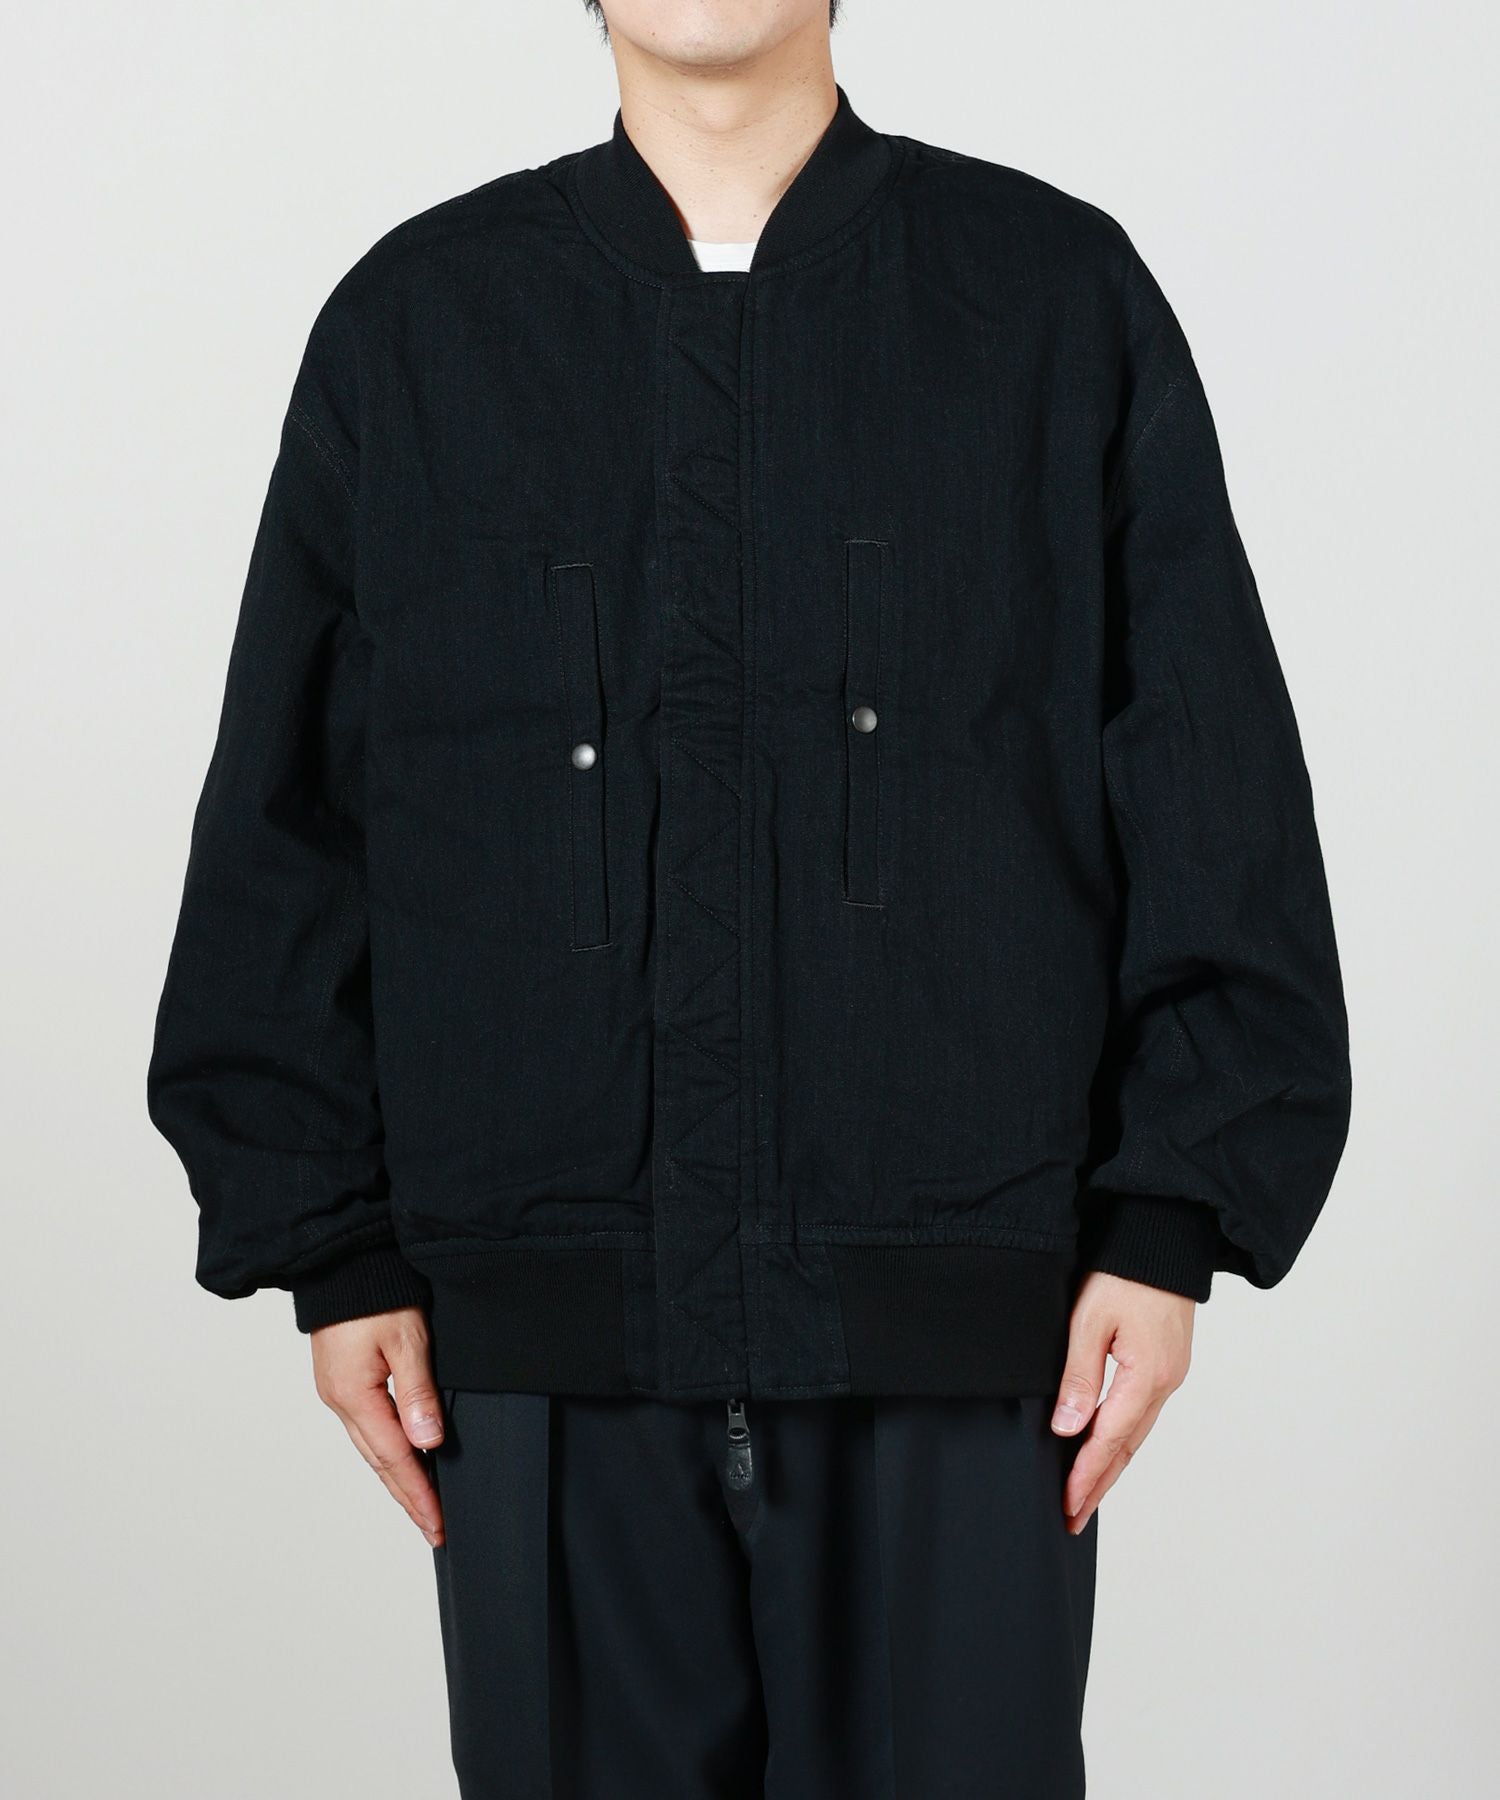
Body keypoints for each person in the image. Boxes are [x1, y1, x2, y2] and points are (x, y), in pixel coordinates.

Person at [146, 2, 1352, 1793]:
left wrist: (1172, 1216)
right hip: (536, 1337)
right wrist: (327, 1246)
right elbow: (287, 819)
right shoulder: (420, 325)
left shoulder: (1048, 299)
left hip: (969, 1326)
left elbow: (1210, 775)